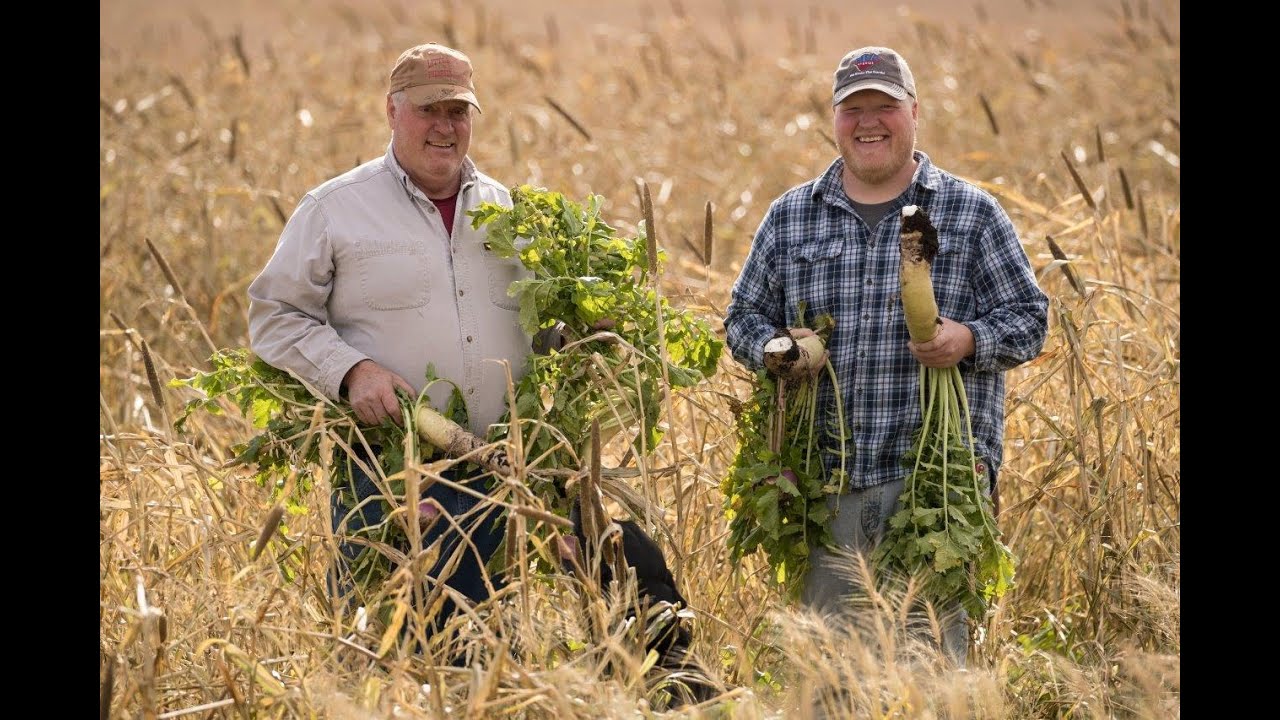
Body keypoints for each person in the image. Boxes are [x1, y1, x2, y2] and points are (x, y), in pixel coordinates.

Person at [723, 46, 1049, 665]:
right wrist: (778, 351)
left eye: (884, 107)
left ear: (914, 113)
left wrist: (968, 340)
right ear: (835, 119)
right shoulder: (791, 217)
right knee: (829, 682)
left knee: (930, 680)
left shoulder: (972, 213)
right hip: (822, 489)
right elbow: (741, 319)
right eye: (853, 109)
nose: (868, 121)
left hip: (937, 490)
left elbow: (1030, 320)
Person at [247, 42, 531, 635]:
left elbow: (536, 323)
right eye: (428, 110)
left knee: (486, 655)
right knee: (385, 649)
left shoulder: (508, 211)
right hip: (385, 476)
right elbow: (274, 314)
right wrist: (352, 372)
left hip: (496, 479)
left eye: (458, 112)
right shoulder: (336, 209)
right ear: (392, 111)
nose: (445, 128)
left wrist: (588, 333)